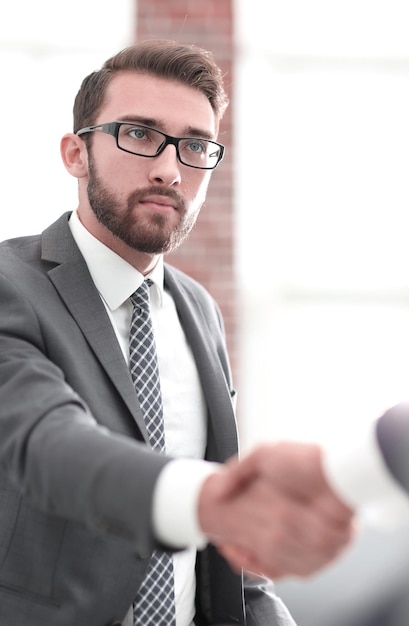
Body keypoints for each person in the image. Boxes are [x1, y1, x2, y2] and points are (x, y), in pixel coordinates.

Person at [0, 39, 355, 626]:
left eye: (194, 146)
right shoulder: (12, 287)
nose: (169, 169)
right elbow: (49, 446)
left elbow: (223, 565)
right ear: (75, 153)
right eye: (139, 134)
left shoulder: (199, 311)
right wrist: (219, 503)